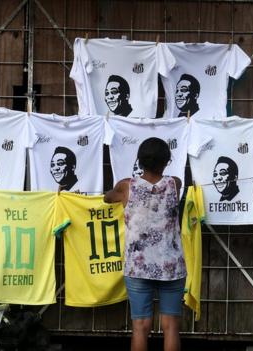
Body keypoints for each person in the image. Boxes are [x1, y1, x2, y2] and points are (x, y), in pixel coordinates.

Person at [104, 137, 185, 351]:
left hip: (137, 267)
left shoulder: (125, 186)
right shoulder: (175, 183)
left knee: (140, 326)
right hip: (171, 266)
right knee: (171, 326)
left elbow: (107, 198)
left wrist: (115, 192)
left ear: (139, 161)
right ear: (167, 161)